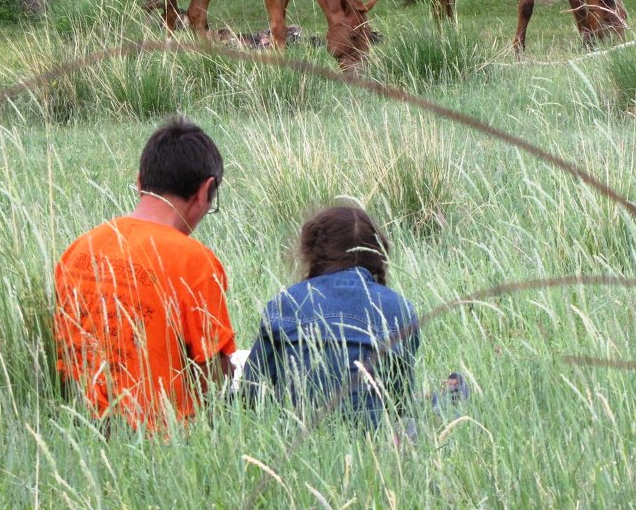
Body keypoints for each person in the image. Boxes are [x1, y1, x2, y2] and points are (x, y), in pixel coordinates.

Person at [54, 117, 235, 430]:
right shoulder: (194, 261)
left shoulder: (78, 249)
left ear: (140, 182)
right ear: (205, 191)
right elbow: (212, 377)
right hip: (164, 439)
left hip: (76, 426)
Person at [240, 206, 419, 427]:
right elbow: (399, 402)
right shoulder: (399, 309)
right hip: (373, 444)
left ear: (313, 251)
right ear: (377, 254)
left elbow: (252, 391)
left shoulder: (285, 303)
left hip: (296, 440)